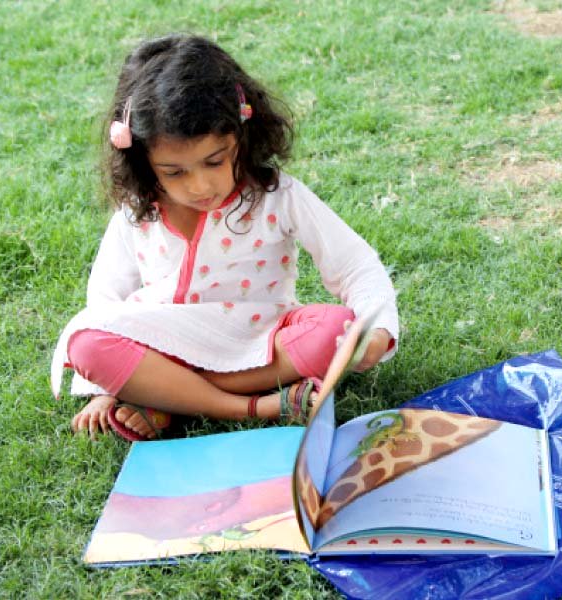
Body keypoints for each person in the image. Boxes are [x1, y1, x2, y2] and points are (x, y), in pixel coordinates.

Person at [49, 34, 399, 441]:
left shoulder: (277, 196)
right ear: (143, 162)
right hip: (167, 343)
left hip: (261, 340)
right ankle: (253, 406)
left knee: (334, 329)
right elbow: (106, 300)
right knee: (86, 343)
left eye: (214, 161)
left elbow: (354, 264)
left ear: (241, 135)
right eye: (174, 172)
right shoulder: (136, 209)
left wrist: (378, 330)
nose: (199, 185)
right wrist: (105, 389)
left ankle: (165, 396)